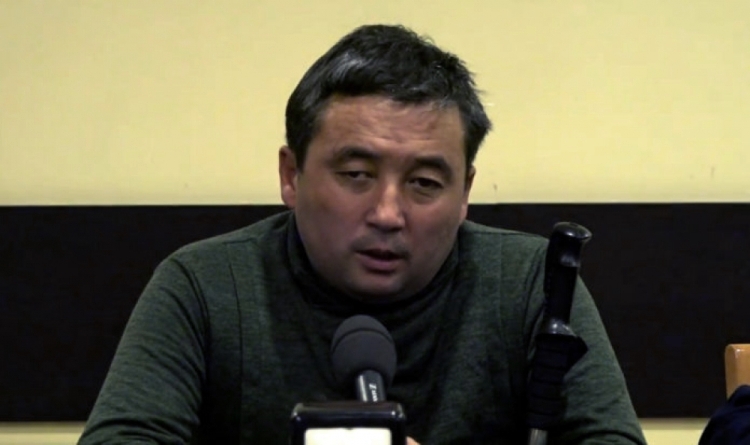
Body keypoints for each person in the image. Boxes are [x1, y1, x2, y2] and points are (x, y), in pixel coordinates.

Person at [78, 24, 646, 444]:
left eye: (424, 183)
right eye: (356, 175)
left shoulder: (532, 285)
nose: (387, 213)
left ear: (465, 192)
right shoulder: (204, 285)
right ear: (291, 175)